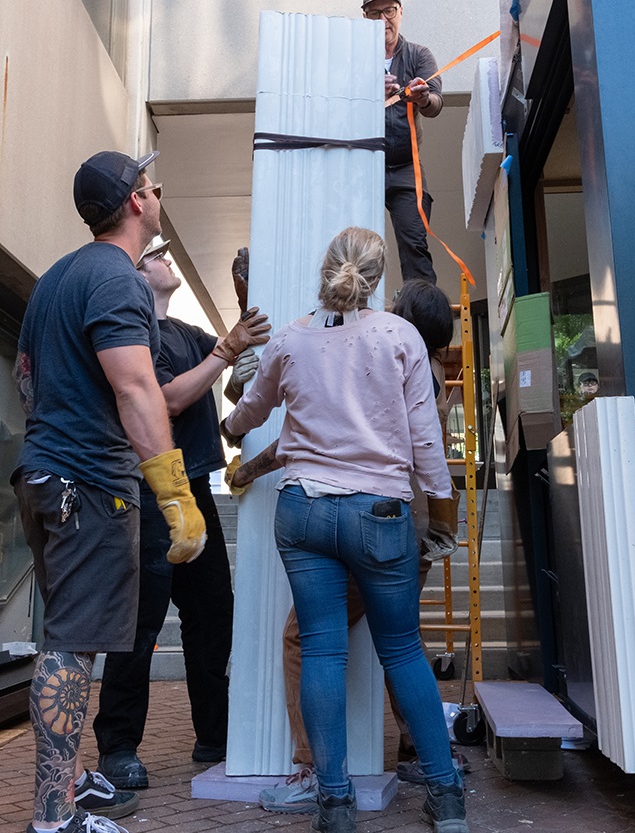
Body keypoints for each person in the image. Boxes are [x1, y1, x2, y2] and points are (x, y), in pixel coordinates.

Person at [221, 229, 468, 833]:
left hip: (302, 511)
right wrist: (441, 517)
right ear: (376, 279)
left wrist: (231, 428)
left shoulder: (291, 340)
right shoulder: (400, 336)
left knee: (321, 650)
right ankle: (447, 795)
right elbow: (426, 447)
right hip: (379, 516)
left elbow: (248, 414)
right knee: (404, 650)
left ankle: (333, 801)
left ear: (325, 270)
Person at [11, 150, 208, 833]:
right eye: (152, 185)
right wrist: (176, 497)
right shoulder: (116, 279)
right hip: (89, 485)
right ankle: (53, 814)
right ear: (134, 202)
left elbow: (27, 379)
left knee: (72, 637)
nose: (159, 193)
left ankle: (63, 783)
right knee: (69, 646)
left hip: (46, 476)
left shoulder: (59, 279)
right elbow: (136, 388)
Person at [92, 237, 270, 788]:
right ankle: (118, 747)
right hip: (145, 493)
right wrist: (226, 351)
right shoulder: (134, 332)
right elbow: (166, 398)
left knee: (213, 618)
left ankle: (214, 735)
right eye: (154, 254)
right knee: (139, 626)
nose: (165, 253)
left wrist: (249, 296)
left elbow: (241, 365)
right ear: (135, 274)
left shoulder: (189, 335)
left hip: (192, 489)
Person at [362, 0, 443, 285]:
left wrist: (422, 97)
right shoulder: (352, 60)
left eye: (389, 10)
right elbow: (334, 109)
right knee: (356, 248)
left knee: (415, 245)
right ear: (365, 18)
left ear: (400, 12)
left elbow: (436, 103)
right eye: (374, 13)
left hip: (406, 167)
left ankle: (420, 321)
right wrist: (368, 91)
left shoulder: (418, 54)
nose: (383, 19)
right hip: (363, 165)